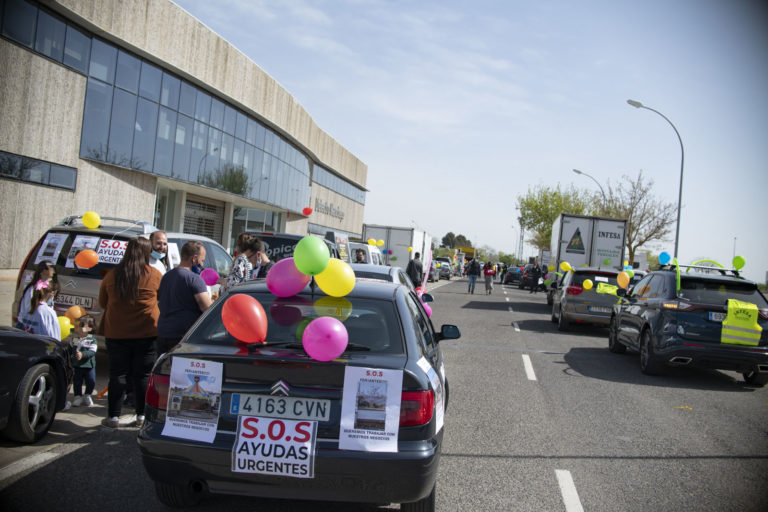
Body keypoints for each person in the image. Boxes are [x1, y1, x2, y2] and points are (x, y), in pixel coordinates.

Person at [98, 237, 162, 429]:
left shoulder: (112, 275)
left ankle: (113, 417)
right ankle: (141, 416)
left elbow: (102, 302)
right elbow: (162, 299)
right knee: (142, 375)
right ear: (147, 253)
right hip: (147, 332)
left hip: (116, 332)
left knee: (117, 374)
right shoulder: (154, 275)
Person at [156, 241, 212, 356]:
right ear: (194, 258)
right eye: (202, 260)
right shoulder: (194, 279)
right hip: (182, 338)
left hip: (163, 333)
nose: (202, 264)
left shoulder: (166, 276)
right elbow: (207, 308)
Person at [65, 315, 98, 407]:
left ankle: (87, 395)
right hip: (77, 366)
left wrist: (82, 354)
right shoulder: (74, 339)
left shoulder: (92, 340)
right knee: (77, 382)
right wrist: (68, 357)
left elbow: (92, 352)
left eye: (82, 326)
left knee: (91, 381)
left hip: (89, 366)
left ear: (90, 329)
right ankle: (78, 396)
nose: (79, 328)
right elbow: (69, 350)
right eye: (79, 326)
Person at [16, 260, 56, 329]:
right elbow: (28, 310)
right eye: (50, 268)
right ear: (42, 271)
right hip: (27, 325)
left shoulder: (48, 288)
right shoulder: (33, 289)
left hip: (40, 324)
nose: (53, 271)